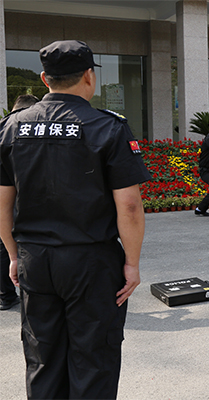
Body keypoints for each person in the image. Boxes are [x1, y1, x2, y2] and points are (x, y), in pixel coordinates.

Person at [0, 40, 150, 399]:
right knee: (93, 358)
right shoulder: (108, 127)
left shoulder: (12, 127)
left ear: (44, 79)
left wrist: (14, 255)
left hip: (36, 258)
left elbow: (2, 204)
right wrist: (132, 263)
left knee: (43, 357)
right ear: (89, 76)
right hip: (91, 262)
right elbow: (129, 207)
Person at [0, 94, 40, 312]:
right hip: (16, 199)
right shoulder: (29, 129)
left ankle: (5, 295)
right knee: (13, 247)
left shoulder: (3, 128)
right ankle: (13, 293)